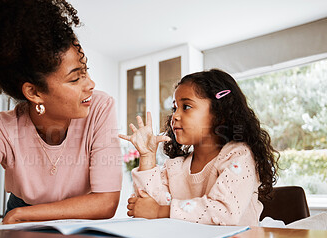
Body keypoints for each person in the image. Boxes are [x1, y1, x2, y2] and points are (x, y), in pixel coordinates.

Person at [0, 0, 122, 224]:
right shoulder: (1, 130)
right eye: (75, 78)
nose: (91, 84)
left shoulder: (100, 107)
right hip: (23, 209)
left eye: (85, 71)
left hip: (79, 215)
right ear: (34, 92)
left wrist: (21, 214)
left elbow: (106, 202)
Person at [119, 69, 279, 226]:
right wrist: (147, 156)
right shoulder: (174, 166)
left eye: (186, 107)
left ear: (220, 113)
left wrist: (160, 211)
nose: (174, 115)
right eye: (175, 108)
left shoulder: (238, 156)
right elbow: (149, 205)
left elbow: (224, 212)